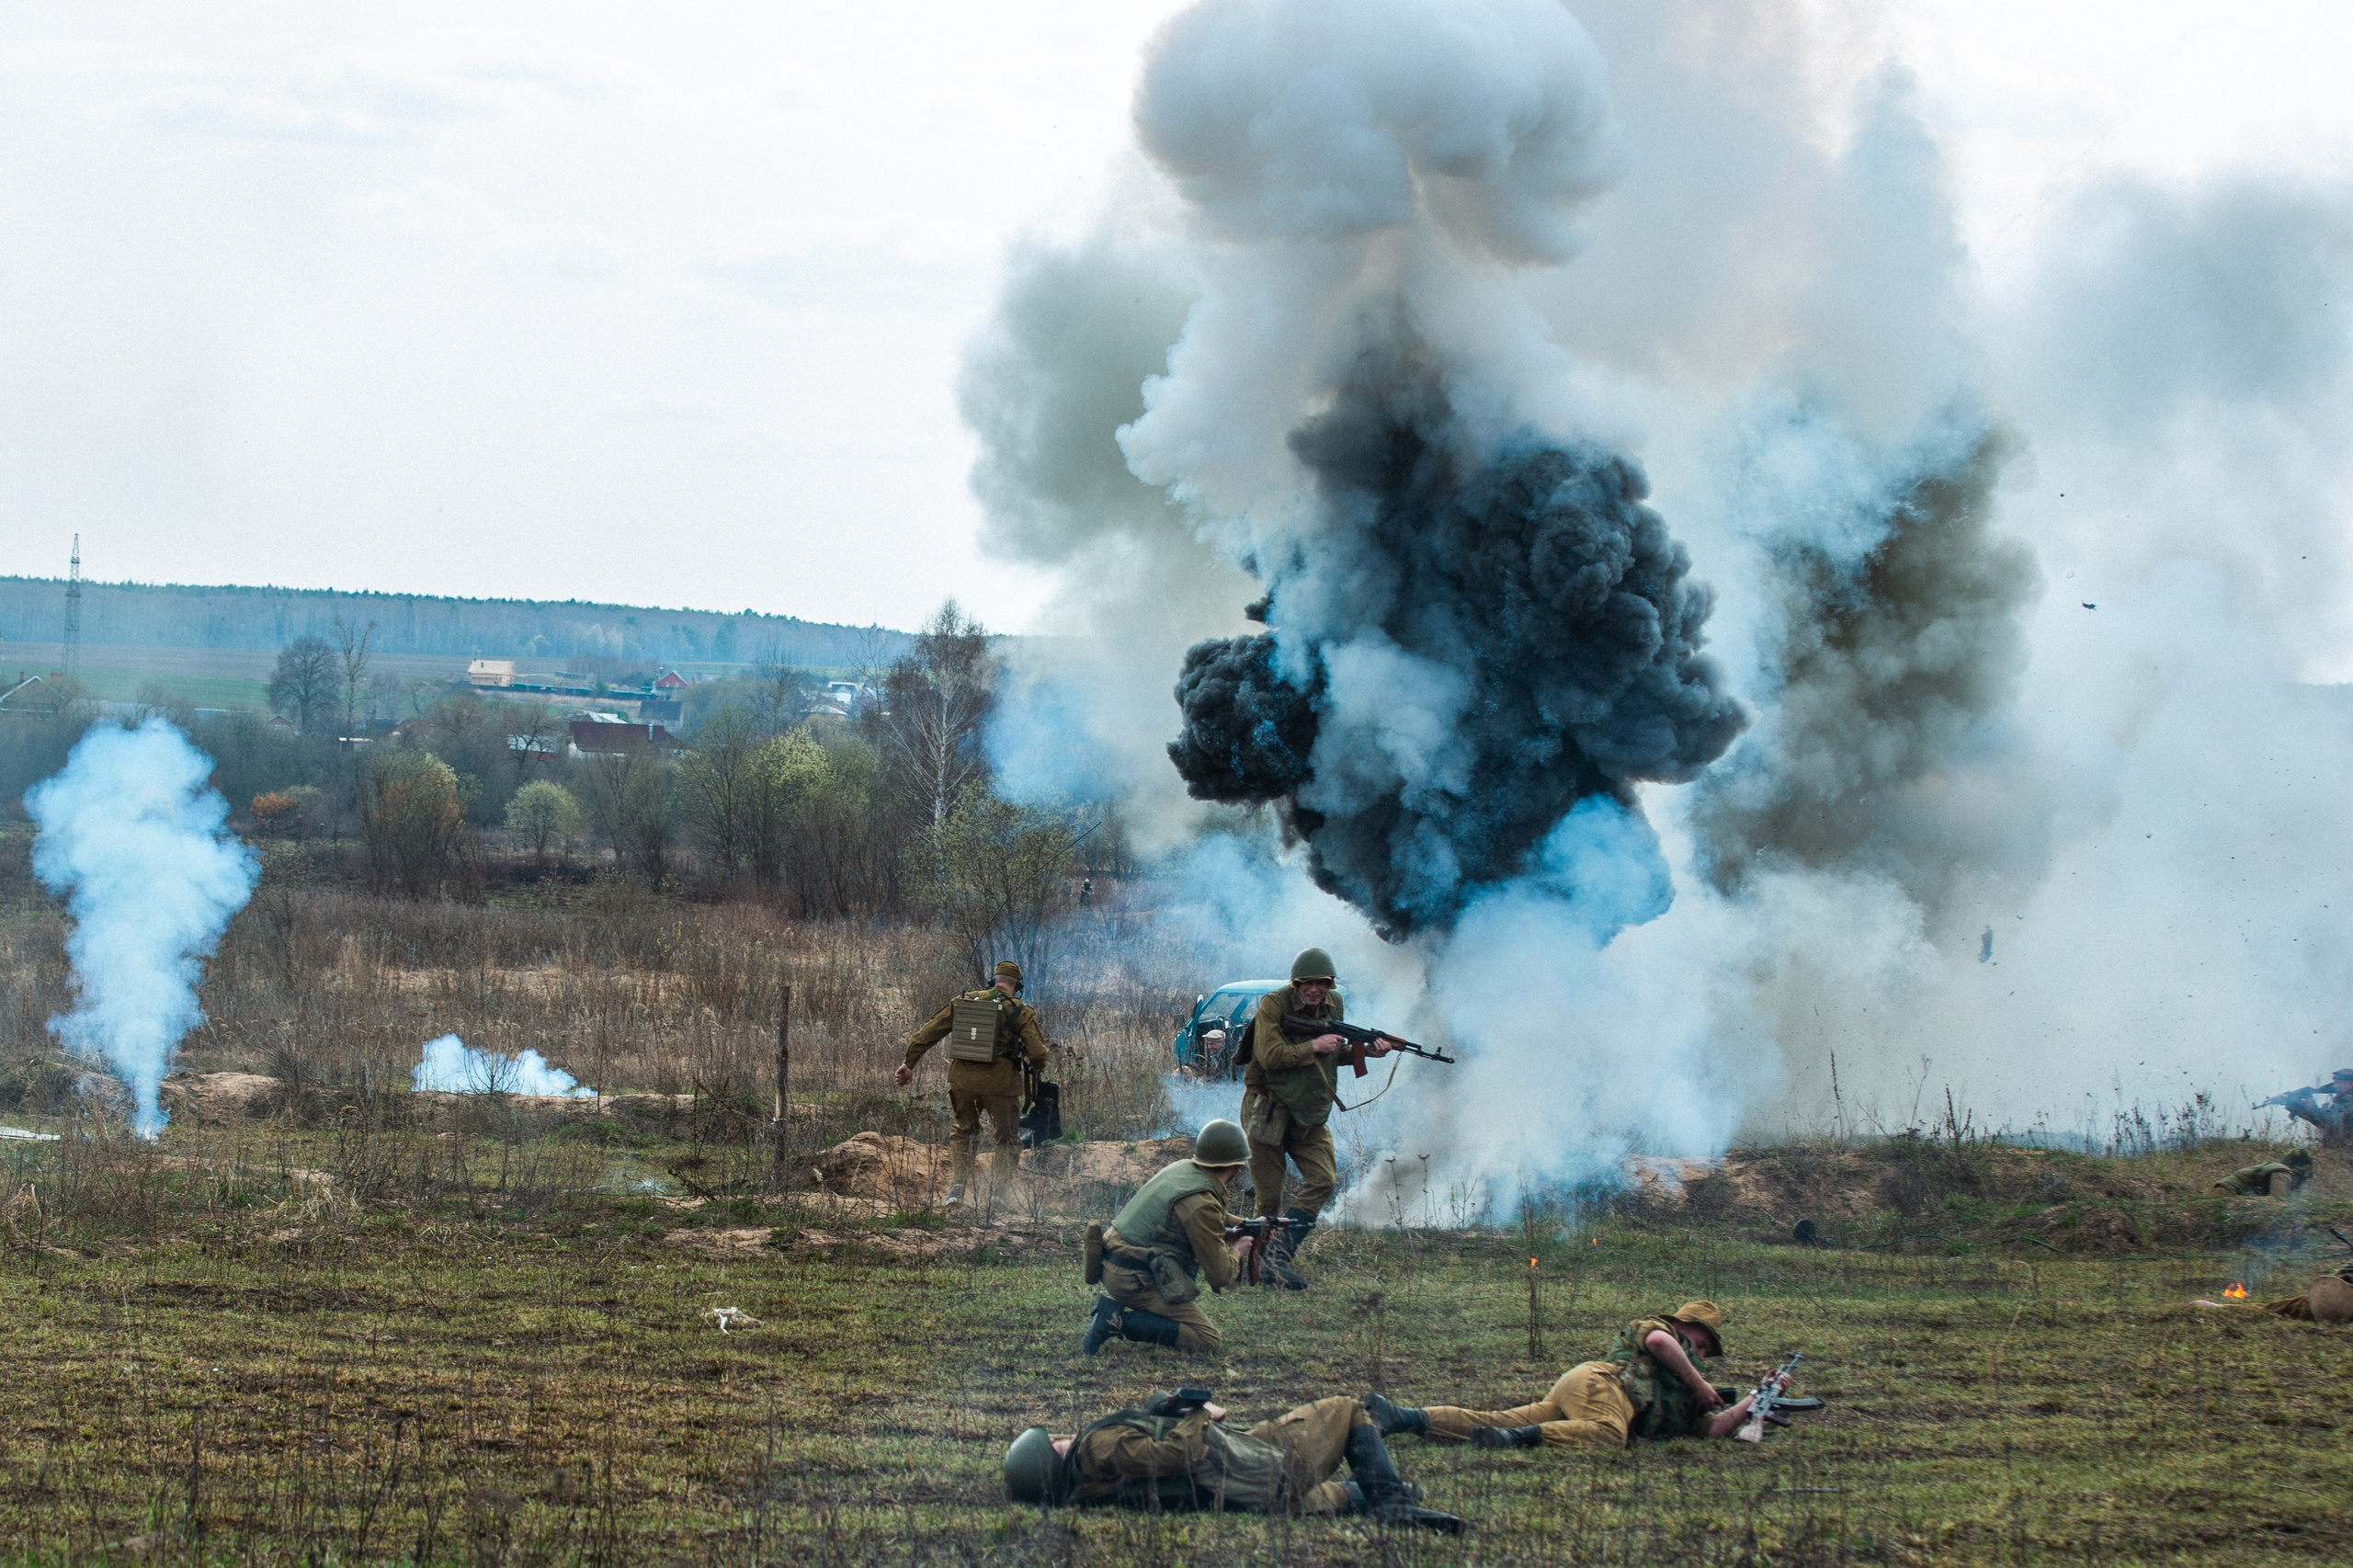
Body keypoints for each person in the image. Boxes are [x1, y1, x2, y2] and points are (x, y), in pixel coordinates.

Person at [1001, 1389, 1462, 1531]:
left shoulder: (1090, 1484)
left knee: (1337, 1496)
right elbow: (1178, 1452)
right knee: (1349, 1408)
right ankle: (1390, 1503)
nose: (1059, 1435)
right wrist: (1203, 1413)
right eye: (1052, 1441)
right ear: (1053, 1454)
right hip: (1253, 1467)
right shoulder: (1097, 1448)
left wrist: (1165, 1407)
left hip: (1243, 1493)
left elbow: (1148, 1453)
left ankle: (1387, 1495)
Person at [1365, 1301, 1804, 1449]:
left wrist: (1757, 1398)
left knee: (1496, 1418)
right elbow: (1658, 1345)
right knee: (1610, 1435)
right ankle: (1523, 1441)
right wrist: (1698, 1382)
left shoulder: (1688, 1389)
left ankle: (1402, 1417)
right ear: (1686, 1326)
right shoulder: (1663, 1332)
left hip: (1579, 1396)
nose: (1702, 1353)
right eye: (1702, 1342)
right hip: (1599, 1385)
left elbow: (1714, 1430)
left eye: (1706, 1351)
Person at [1237, 947, 1390, 1290]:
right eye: (1308, 983)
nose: (1315, 989)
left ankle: (1277, 1256)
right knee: (1269, 1200)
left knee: (1323, 1179)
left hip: (1308, 1110)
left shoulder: (1334, 1004)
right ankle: (1256, 1270)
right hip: (1269, 1108)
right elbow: (1271, 1056)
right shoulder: (1274, 1005)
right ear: (1296, 984)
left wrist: (1368, 1052)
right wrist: (1315, 1046)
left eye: (1322, 983)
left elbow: (1332, 1055)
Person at [1081, 1119, 1254, 1356]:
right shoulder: (1201, 1203)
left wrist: (1247, 1225)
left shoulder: (1183, 1170)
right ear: (1236, 1166)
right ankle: (1114, 1321)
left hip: (1114, 1264)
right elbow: (1220, 1274)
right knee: (1207, 1340)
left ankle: (1119, 1315)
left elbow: (1205, 1214)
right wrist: (1238, 1248)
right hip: (1133, 1280)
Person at [896, 960, 1050, 1206]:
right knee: (1006, 1138)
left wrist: (908, 1063)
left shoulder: (964, 1002)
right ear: (1018, 986)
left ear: (992, 982)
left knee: (964, 1130)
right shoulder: (1021, 1011)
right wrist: (1038, 1063)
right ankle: (998, 1194)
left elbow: (927, 1033)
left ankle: (957, 1189)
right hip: (1001, 1084)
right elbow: (1038, 1054)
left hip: (963, 1081)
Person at [2211, 1147, 2315, 1198]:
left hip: (2228, 1194)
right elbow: (2277, 1202)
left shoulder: (2278, 1169)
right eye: (2303, 1180)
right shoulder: (2283, 1172)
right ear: (2298, 1174)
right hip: (2227, 1194)